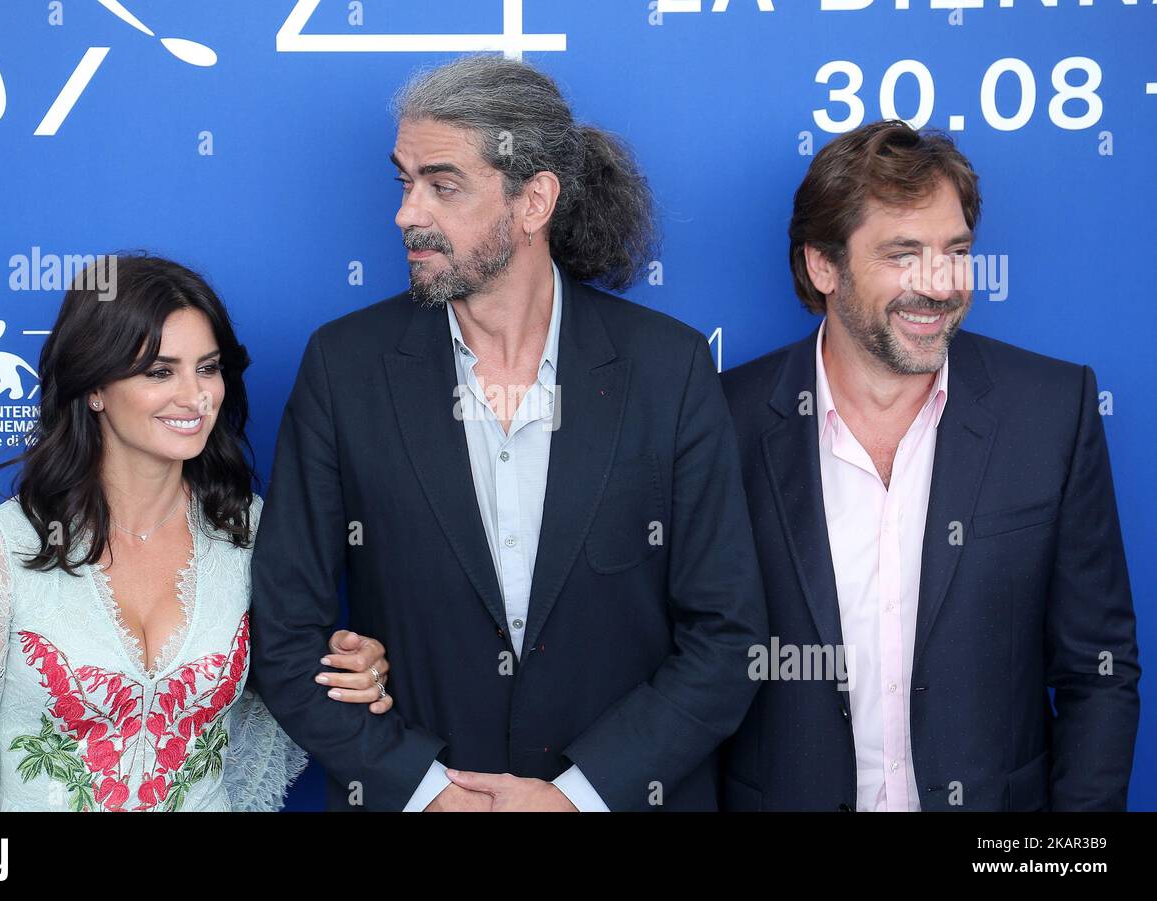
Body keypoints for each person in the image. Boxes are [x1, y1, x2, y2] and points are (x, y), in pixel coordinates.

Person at [249, 55, 767, 812]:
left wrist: (577, 797)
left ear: (534, 202)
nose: (406, 213)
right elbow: (287, 637)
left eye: (442, 183)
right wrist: (429, 791)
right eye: (404, 181)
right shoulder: (344, 367)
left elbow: (727, 641)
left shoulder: (670, 369)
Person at [718, 121, 1140, 811]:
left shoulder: (1052, 413)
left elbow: (1099, 672)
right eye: (903, 253)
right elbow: (688, 668)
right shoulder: (721, 421)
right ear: (823, 265)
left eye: (955, 251)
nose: (938, 284)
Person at [0, 254, 393, 811]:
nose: (196, 396)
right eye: (160, 372)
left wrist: (347, 665)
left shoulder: (252, 530)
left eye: (208, 368)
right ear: (93, 388)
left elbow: (287, 674)